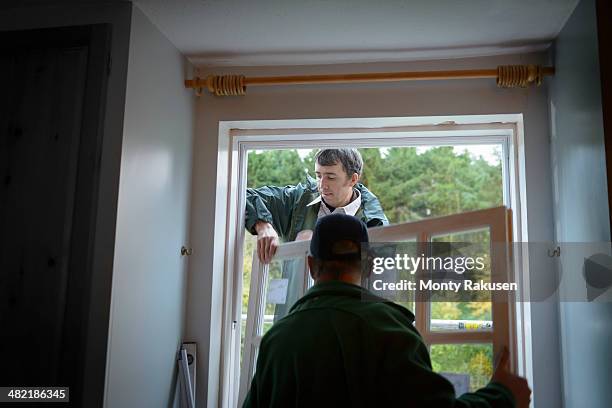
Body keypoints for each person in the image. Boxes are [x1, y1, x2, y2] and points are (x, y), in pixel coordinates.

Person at [242, 213, 531, 408]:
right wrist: (502, 394)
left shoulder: (276, 341)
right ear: (368, 266)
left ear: (310, 265)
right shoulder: (389, 330)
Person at [245, 148, 388, 264]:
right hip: (297, 300)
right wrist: (262, 224)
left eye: (331, 177)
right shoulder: (296, 201)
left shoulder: (375, 223)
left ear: (353, 179)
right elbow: (243, 195)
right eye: (318, 176)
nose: (322, 185)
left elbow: (380, 281)